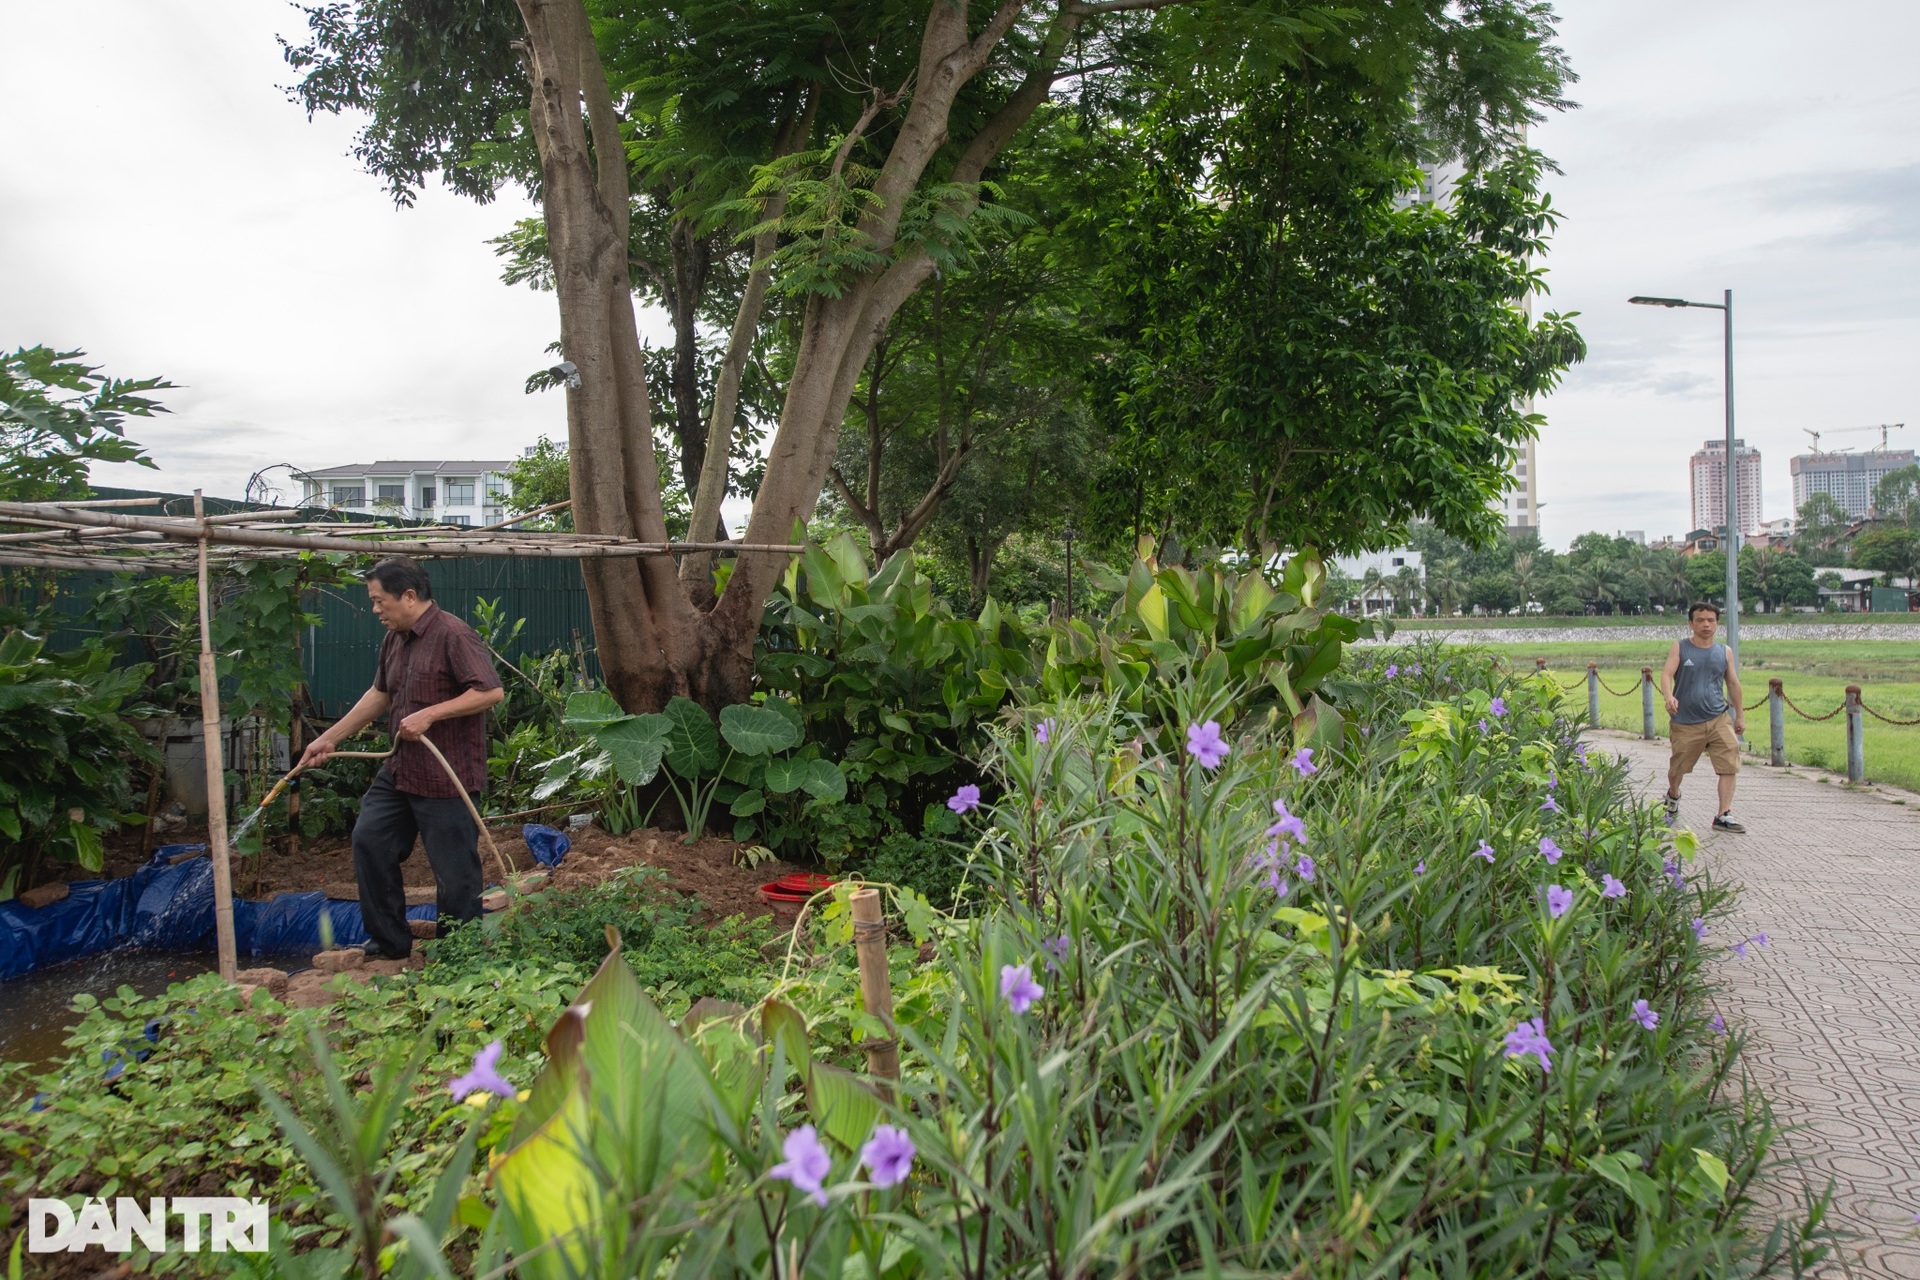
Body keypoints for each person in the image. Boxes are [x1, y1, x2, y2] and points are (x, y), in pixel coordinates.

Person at [296, 557, 504, 958]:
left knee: (454, 874)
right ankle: (389, 943)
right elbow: (380, 694)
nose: (375, 610)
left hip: (447, 777)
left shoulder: (453, 635)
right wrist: (329, 739)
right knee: (369, 839)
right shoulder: (395, 638)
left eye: (379, 601)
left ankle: (460, 954)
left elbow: (490, 692)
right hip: (401, 769)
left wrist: (430, 713)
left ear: (409, 597)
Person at [1657, 601, 1746, 833]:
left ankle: (1723, 814)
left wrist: (1740, 716)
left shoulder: (1724, 652)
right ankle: (1673, 795)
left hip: (1718, 717)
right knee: (1678, 768)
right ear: (1691, 623)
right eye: (1700, 620)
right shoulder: (1680, 648)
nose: (1706, 625)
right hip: (1685, 722)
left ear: (1717, 624)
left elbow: (1733, 683)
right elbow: (1666, 674)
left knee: (1729, 763)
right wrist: (1668, 697)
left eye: (1711, 620)